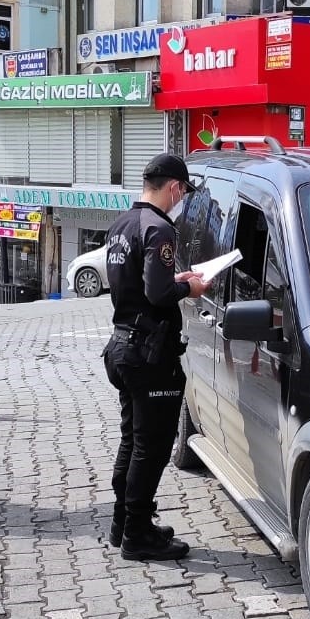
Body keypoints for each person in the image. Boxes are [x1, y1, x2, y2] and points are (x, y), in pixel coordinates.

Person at [102, 153, 209, 561]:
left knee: (132, 441)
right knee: (152, 448)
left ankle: (123, 523)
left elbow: (139, 282)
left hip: (122, 345)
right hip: (149, 354)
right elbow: (159, 294)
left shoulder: (122, 224)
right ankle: (138, 535)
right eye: (184, 193)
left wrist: (173, 279)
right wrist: (189, 288)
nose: (182, 199)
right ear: (175, 188)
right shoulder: (160, 228)